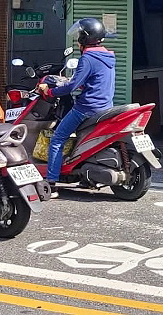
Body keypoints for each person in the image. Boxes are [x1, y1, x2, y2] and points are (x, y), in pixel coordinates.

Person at [35, 17, 115, 195]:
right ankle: (86, 176)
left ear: (85, 38)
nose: (77, 39)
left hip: (87, 108)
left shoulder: (88, 57)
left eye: (79, 36)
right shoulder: (108, 56)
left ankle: (51, 182)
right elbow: (94, 81)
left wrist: (50, 91)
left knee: (57, 138)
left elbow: (71, 87)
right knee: (82, 137)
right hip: (105, 106)